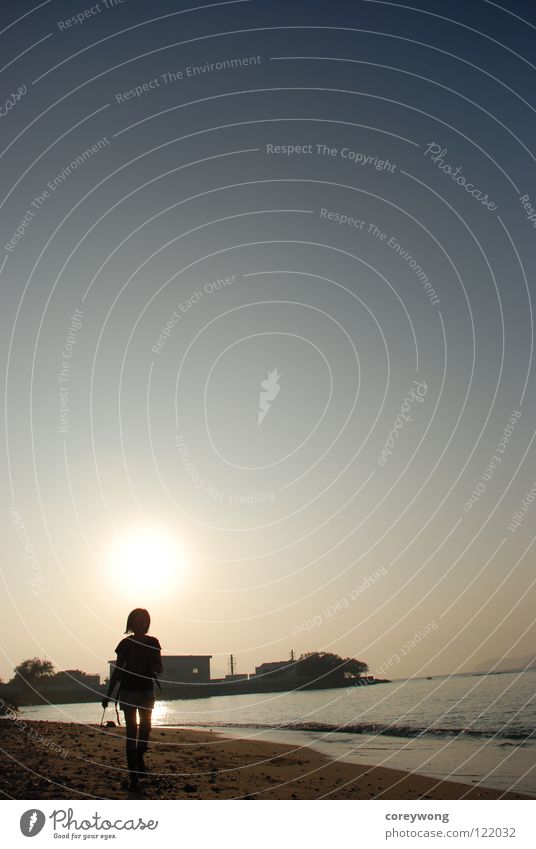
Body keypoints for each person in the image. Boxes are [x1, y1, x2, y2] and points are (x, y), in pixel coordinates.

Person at [102, 608, 163, 791]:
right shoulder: (124, 644)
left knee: (145, 729)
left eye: (144, 620)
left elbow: (160, 667)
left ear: (147, 623)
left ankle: (139, 755)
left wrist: (153, 666)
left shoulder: (153, 642)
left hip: (146, 691)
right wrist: (108, 694)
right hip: (128, 691)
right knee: (131, 731)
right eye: (137, 620)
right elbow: (118, 670)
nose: (141, 623)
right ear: (131, 623)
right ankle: (133, 776)